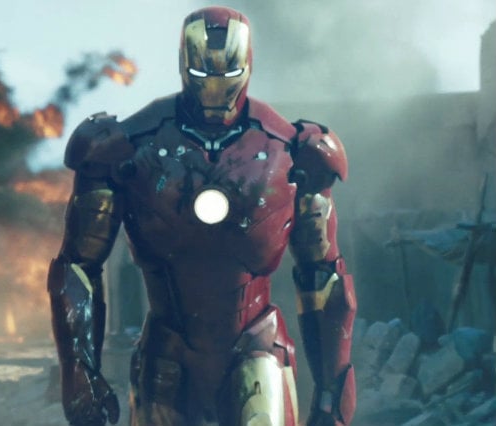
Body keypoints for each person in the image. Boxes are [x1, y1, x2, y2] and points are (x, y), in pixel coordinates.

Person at [47, 6, 356, 426]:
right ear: (183, 64)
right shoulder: (125, 148)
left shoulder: (294, 152)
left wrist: (333, 393)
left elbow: (324, 278)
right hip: (167, 350)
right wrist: (80, 374)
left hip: (256, 345)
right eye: (202, 74)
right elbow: (78, 268)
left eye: (227, 74)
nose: (214, 89)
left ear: (247, 65)